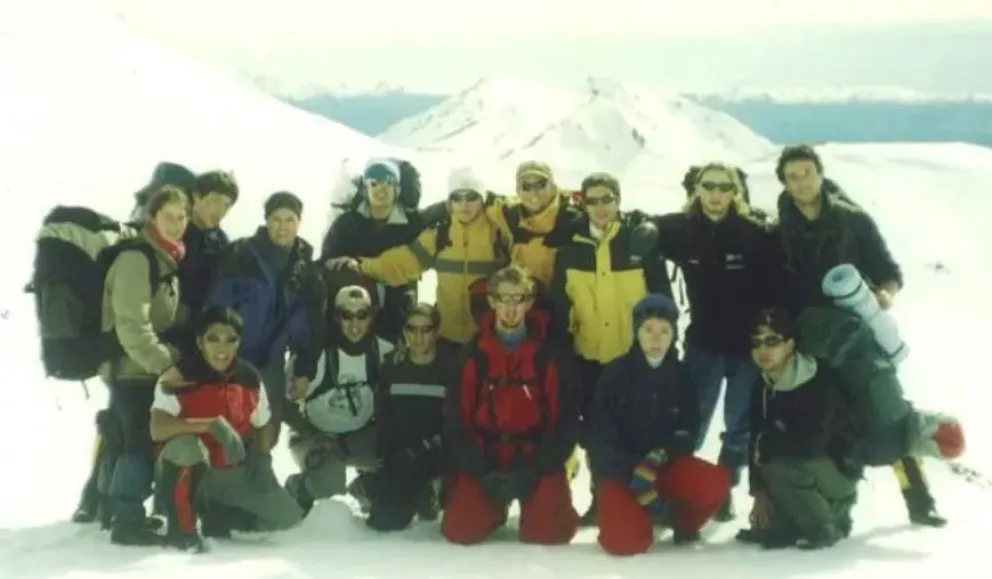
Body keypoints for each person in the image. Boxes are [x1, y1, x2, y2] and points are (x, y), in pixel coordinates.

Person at [775, 144, 945, 527]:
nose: (802, 182)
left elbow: (887, 269)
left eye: (806, 172)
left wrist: (885, 293)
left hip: (860, 334)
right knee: (831, 418)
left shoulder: (854, 221)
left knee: (886, 405)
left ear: (820, 172)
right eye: (793, 176)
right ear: (784, 183)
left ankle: (918, 499)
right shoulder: (778, 231)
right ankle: (831, 507)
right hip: (811, 339)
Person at [650, 161, 779, 521]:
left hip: (746, 347)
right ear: (697, 190)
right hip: (703, 343)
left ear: (735, 192)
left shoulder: (754, 233)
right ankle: (683, 487)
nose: (716, 194)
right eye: (709, 186)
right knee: (692, 420)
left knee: (739, 425)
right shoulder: (681, 229)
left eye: (725, 187)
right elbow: (643, 224)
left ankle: (723, 487)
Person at [549, 172, 669, 523]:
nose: (601, 208)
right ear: (581, 204)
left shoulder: (639, 242)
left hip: (634, 359)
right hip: (589, 356)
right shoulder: (570, 249)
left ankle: (644, 501)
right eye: (593, 200)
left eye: (607, 199)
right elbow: (560, 305)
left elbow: (663, 301)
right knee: (597, 436)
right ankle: (601, 500)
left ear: (619, 200)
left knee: (638, 430)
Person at [441, 265, 580, 546]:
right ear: (492, 301)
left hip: (535, 460)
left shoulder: (549, 357)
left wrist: (534, 470)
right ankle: (493, 508)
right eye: (503, 299)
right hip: (486, 459)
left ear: (529, 303)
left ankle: (543, 505)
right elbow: (457, 422)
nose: (510, 308)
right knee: (460, 531)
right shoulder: (473, 357)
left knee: (549, 534)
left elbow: (564, 424)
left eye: (518, 299)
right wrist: (481, 471)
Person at [151, 306, 303, 552]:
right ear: (200, 342)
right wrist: (208, 425)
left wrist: (262, 458)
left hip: (227, 474)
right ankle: (181, 530)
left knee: (287, 516)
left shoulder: (249, 378)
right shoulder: (177, 377)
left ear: (239, 343)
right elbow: (157, 428)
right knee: (186, 446)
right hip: (185, 469)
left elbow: (263, 423)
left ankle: (216, 516)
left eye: (230, 340)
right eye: (213, 339)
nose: (222, 348)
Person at [589, 294, 730, 555]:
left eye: (665, 331)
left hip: (663, 469)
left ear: (674, 334)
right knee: (623, 542)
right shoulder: (614, 375)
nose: (656, 339)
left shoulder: (681, 375)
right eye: (649, 330)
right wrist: (634, 469)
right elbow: (600, 438)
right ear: (636, 333)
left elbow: (689, 431)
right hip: (620, 474)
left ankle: (678, 520)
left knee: (714, 482)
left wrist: (662, 456)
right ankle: (632, 514)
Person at [101, 185, 189, 546]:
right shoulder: (138, 259)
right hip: (133, 368)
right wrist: (164, 363)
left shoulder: (165, 257)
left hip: (139, 367)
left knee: (130, 439)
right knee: (139, 441)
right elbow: (131, 324)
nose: (175, 224)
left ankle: (120, 512)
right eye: (167, 216)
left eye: (181, 217)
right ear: (152, 218)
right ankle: (127, 521)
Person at [737, 308, 862, 550]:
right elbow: (755, 439)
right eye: (757, 342)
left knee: (780, 466)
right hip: (794, 467)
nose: (764, 349)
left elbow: (813, 444)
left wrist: (768, 444)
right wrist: (759, 492)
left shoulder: (817, 381)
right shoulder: (762, 386)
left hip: (836, 471)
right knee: (774, 532)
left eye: (772, 341)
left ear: (790, 345)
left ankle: (828, 525)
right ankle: (797, 520)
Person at [340, 167, 508, 346]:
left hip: (490, 338)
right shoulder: (441, 233)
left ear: (482, 199)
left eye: (471, 197)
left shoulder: (498, 231)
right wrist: (362, 265)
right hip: (447, 336)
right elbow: (404, 262)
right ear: (449, 201)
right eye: (457, 198)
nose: (464, 205)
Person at [207, 191, 325, 445]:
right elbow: (217, 307)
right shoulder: (241, 254)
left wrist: (304, 369)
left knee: (266, 432)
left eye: (289, 219)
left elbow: (308, 325)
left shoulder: (304, 269)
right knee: (225, 430)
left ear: (299, 223)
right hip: (230, 358)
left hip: (271, 362)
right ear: (266, 221)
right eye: (276, 219)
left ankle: (259, 478)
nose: (282, 227)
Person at [284, 285, 394, 516]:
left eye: (362, 315)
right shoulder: (314, 357)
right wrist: (308, 432)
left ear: (371, 317)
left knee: (395, 457)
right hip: (315, 435)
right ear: (336, 318)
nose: (355, 324)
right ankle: (298, 487)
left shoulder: (384, 353)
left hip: (358, 434)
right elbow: (283, 404)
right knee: (329, 485)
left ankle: (366, 487)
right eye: (347, 315)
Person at [321, 158, 439, 343]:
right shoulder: (346, 224)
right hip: (353, 319)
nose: (380, 190)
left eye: (388, 184)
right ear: (365, 189)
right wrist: (331, 263)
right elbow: (326, 262)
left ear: (397, 188)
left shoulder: (413, 223)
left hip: (397, 317)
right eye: (374, 184)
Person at [364, 304, 455, 531]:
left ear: (435, 332)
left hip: (440, 453)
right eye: (412, 330)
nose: (419, 337)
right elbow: (384, 418)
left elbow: (458, 420)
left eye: (425, 330)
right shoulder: (392, 367)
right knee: (384, 521)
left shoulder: (451, 367)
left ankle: (433, 491)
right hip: (402, 454)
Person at [162, 170, 237, 354]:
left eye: (227, 205)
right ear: (196, 196)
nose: (220, 210)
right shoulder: (172, 230)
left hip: (198, 338)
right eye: (215, 200)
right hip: (161, 331)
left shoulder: (222, 243)